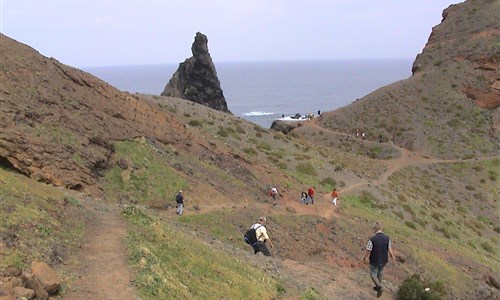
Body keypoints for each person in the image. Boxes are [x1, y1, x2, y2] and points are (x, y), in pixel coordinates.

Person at [362, 222, 395, 297]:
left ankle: (379, 287)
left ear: (374, 229)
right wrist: (392, 256)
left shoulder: (372, 239)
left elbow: (368, 250)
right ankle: (378, 287)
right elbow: (389, 248)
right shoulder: (387, 238)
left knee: (373, 273)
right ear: (381, 228)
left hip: (375, 259)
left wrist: (365, 257)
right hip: (384, 259)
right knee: (380, 272)